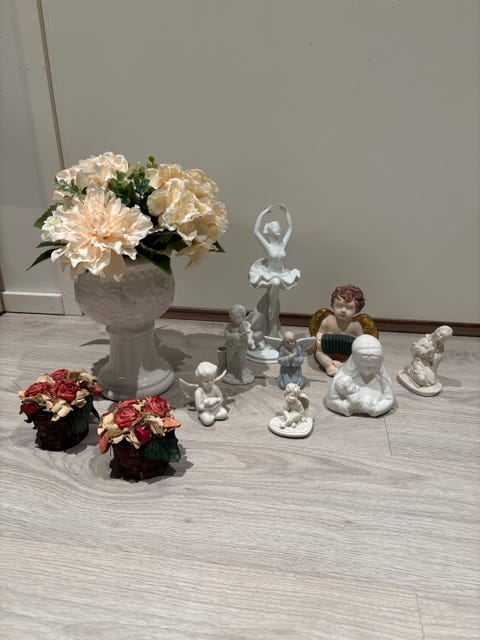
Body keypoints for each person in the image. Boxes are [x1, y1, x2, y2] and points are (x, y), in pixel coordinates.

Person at [247, 204, 300, 348]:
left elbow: (290, 228)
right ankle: (272, 328)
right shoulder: (268, 245)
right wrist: (263, 214)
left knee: (273, 299)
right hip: (270, 275)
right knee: (275, 286)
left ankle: (273, 327)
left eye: (279, 228)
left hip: (281, 273)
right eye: (276, 228)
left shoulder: (282, 244)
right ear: (270, 232)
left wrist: (286, 211)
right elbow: (256, 231)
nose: (280, 230)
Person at [324, 334, 395, 417]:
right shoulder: (343, 378)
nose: (368, 369)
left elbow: (389, 399)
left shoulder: (381, 377)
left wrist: (375, 409)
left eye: (372, 365)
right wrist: (349, 406)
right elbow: (331, 401)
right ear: (355, 361)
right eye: (364, 365)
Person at [314, 284, 367, 376]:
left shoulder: (355, 325)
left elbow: (362, 340)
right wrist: (319, 339)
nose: (343, 310)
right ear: (332, 305)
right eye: (339, 306)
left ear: (357, 310)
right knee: (319, 353)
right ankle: (329, 365)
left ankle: (343, 365)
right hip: (329, 352)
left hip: (347, 355)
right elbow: (320, 332)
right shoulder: (328, 320)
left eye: (349, 308)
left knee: (358, 357)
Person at [223, 304, 255, 384]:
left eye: (238, 318)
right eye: (233, 318)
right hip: (231, 346)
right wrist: (233, 336)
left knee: (241, 358)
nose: (235, 320)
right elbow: (226, 335)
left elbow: (249, 333)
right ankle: (231, 371)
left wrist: (250, 339)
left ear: (243, 317)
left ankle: (242, 370)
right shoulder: (230, 325)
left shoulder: (245, 325)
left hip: (242, 346)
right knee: (230, 358)